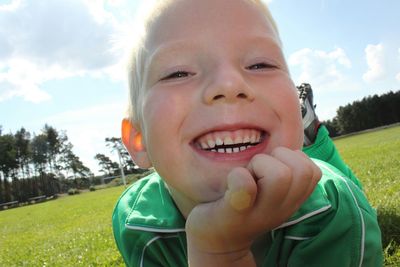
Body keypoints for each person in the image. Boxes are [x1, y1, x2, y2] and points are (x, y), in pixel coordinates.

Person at [112, 0, 382, 266]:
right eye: (178, 73)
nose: (229, 84)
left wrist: (221, 254)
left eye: (260, 65)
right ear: (138, 140)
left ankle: (313, 137)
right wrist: (218, 250)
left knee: (339, 178)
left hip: (333, 187)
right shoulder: (134, 221)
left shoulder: (335, 212)